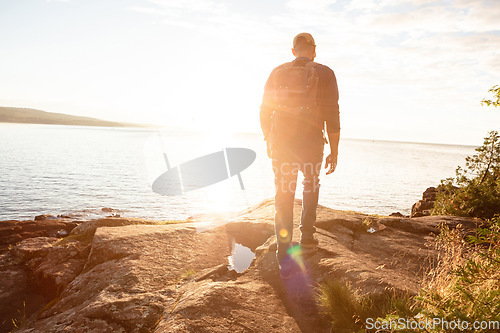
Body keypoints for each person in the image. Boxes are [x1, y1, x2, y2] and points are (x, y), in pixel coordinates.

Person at [260, 32, 340, 278]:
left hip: (282, 143)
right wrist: (334, 151)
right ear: (314, 50)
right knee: (310, 184)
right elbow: (332, 114)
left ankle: (284, 252)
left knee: (283, 193)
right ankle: (307, 239)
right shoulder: (325, 73)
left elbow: (264, 110)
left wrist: (268, 140)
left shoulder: (277, 72)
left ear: (293, 51)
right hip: (311, 143)